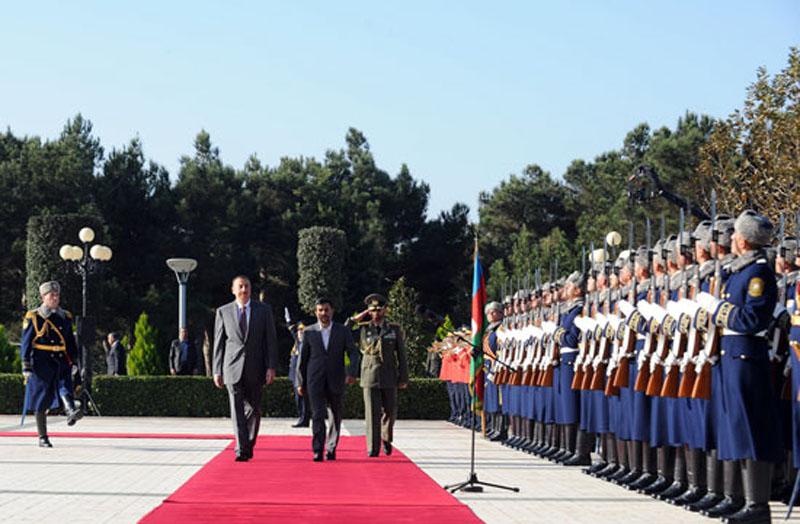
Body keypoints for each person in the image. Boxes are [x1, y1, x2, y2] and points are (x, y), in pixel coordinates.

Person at [213, 275, 279, 462]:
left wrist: (271, 367)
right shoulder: (223, 312)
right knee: (236, 408)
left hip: (256, 368)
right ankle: (241, 448)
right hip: (232, 367)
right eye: (240, 287)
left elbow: (270, 341)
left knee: (254, 409)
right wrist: (217, 370)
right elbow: (219, 343)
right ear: (233, 290)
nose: (244, 290)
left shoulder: (263, 310)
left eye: (247, 286)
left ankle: (248, 442)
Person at [20, 281, 83, 447]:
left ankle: (71, 411)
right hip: (41, 361)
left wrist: (74, 360)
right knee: (41, 399)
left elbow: (70, 341)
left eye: (57, 295)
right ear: (43, 297)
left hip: (61, 358)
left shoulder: (65, 316)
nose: (55, 298)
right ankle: (43, 436)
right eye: (51, 295)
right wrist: (26, 364)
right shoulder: (34, 316)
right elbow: (26, 342)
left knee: (65, 385)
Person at [297, 298, 359, 462]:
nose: (324, 313)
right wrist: (300, 382)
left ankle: (331, 447)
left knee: (335, 415)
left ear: (332, 311)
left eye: (326, 310)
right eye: (320, 310)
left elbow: (353, 352)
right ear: (316, 312)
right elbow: (302, 359)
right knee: (317, 415)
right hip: (314, 380)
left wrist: (352, 372)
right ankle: (317, 449)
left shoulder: (343, 331)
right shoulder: (309, 332)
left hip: (336, 379)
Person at [350, 293, 409, 457]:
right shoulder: (363, 328)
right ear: (369, 311)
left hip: (389, 374)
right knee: (371, 413)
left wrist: (403, 377)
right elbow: (345, 329)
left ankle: (386, 438)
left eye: (379, 310)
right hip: (369, 375)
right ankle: (372, 448)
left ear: (385, 310)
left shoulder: (394, 329)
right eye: (373, 310)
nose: (376, 313)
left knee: (390, 411)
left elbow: (401, 355)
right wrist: (357, 317)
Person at [287, 321, 311, 427]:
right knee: (298, 399)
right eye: (299, 330)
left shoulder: (306, 343)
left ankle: (304, 419)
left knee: (304, 400)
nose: (300, 332)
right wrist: (288, 321)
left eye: (303, 330)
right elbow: (292, 330)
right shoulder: (298, 341)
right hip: (295, 376)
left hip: (303, 377)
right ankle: (301, 417)